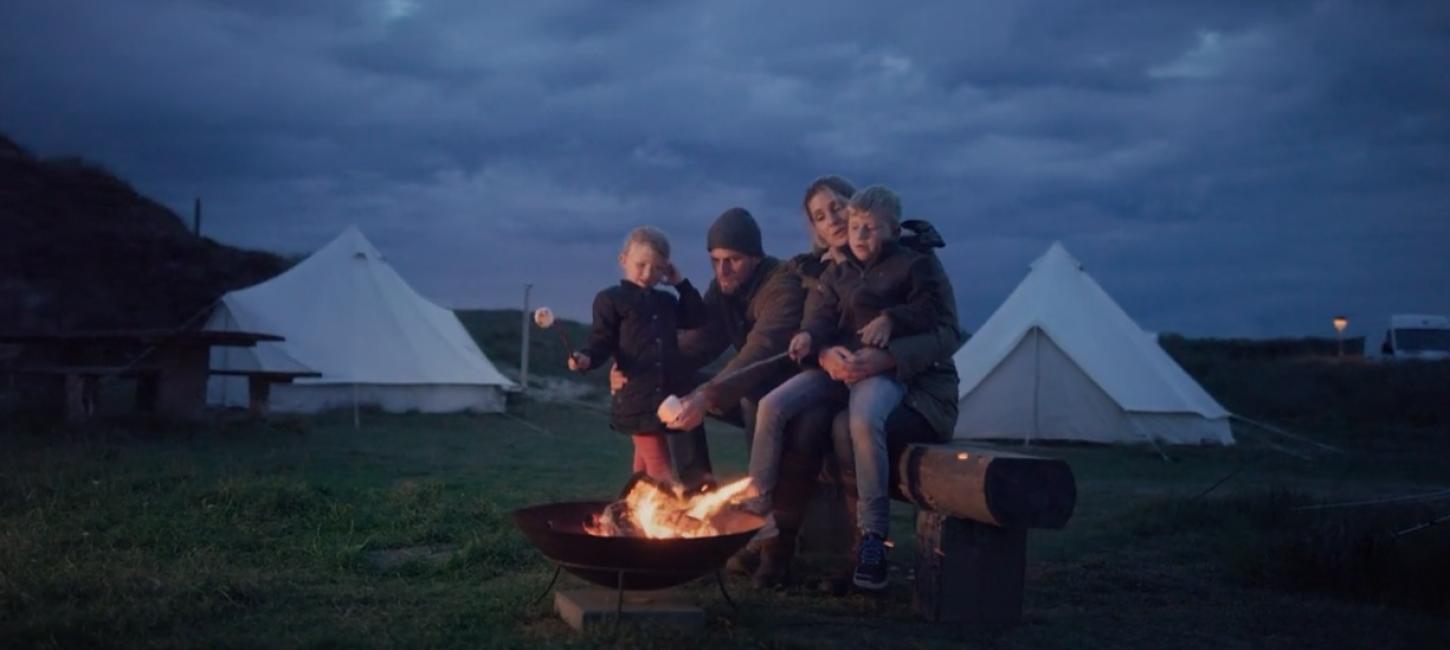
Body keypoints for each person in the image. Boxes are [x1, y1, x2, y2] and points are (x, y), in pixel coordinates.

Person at [747, 185, 955, 590]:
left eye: (840, 210)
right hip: (839, 370)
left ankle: (872, 541)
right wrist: (812, 342)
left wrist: (891, 333)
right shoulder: (830, 272)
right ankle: (758, 518)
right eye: (822, 217)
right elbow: (819, 318)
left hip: (895, 378)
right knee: (771, 405)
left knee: (858, 422)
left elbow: (938, 322)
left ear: (890, 229)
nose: (850, 230)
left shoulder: (915, 263)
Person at [570, 226, 707, 482]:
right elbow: (602, 339)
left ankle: (628, 513)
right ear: (623, 260)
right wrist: (586, 358)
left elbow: (697, 317)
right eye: (641, 264)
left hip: (665, 398)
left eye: (657, 268)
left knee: (643, 471)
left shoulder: (666, 302)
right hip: (636, 398)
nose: (647, 274)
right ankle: (670, 516)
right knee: (661, 472)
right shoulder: (611, 299)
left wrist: (680, 283)